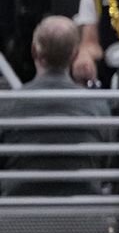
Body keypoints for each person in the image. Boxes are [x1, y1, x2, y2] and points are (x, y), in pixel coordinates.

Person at [0, 16, 111, 195]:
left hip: (19, 210)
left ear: (34, 51)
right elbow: (106, 163)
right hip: (84, 207)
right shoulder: (97, 105)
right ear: (74, 55)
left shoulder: (6, 105)